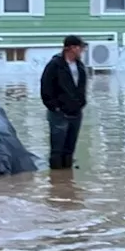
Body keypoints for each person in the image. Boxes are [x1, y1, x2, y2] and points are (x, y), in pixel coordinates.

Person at [40, 35, 87, 170]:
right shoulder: (54, 65)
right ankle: (56, 181)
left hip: (76, 113)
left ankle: (67, 180)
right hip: (58, 114)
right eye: (80, 47)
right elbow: (45, 87)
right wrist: (55, 107)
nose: (82, 51)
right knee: (57, 150)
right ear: (71, 48)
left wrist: (81, 103)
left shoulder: (80, 66)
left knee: (69, 150)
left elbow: (81, 88)